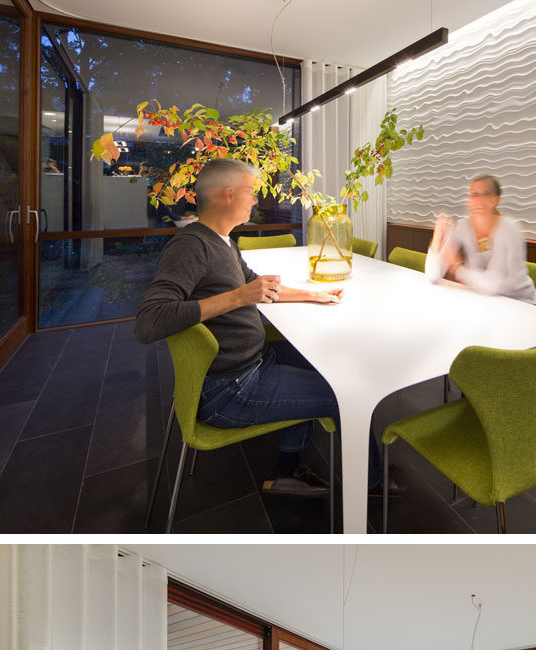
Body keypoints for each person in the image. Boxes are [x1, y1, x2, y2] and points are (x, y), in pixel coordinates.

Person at [135, 157, 382, 496]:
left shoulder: (221, 241)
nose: (255, 199)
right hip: (231, 389)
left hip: (251, 363)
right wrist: (238, 297)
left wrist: (315, 294)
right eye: (250, 192)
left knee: (321, 363)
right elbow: (150, 321)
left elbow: (257, 285)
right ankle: (373, 488)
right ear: (228, 194)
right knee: (349, 395)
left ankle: (288, 469)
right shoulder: (191, 246)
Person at [425, 175, 536, 304]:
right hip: (486, 299)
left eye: (486, 194)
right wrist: (437, 237)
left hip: (522, 303)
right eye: (474, 194)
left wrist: (458, 268)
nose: (479, 200)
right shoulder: (462, 227)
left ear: (496, 200)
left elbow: (491, 285)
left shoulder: (508, 229)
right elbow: (432, 276)